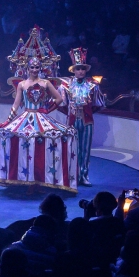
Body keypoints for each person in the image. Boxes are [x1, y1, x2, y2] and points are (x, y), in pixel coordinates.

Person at [0, 56, 77, 192]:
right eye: (32, 67)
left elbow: (59, 99)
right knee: (25, 146)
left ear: (40, 68)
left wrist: (47, 109)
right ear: (27, 68)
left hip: (41, 118)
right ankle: (23, 178)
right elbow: (16, 104)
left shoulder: (46, 83)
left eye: (37, 67)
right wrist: (8, 121)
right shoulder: (22, 84)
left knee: (39, 147)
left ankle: (38, 180)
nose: (34, 70)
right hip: (26, 117)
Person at [58, 48, 105, 186]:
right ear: (73, 70)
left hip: (87, 121)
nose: (81, 72)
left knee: (85, 148)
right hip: (72, 120)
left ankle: (83, 175)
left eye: (83, 69)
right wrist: (71, 112)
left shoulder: (92, 86)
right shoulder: (65, 85)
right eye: (78, 69)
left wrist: (87, 111)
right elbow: (62, 104)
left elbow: (98, 104)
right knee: (71, 147)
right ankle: (71, 175)